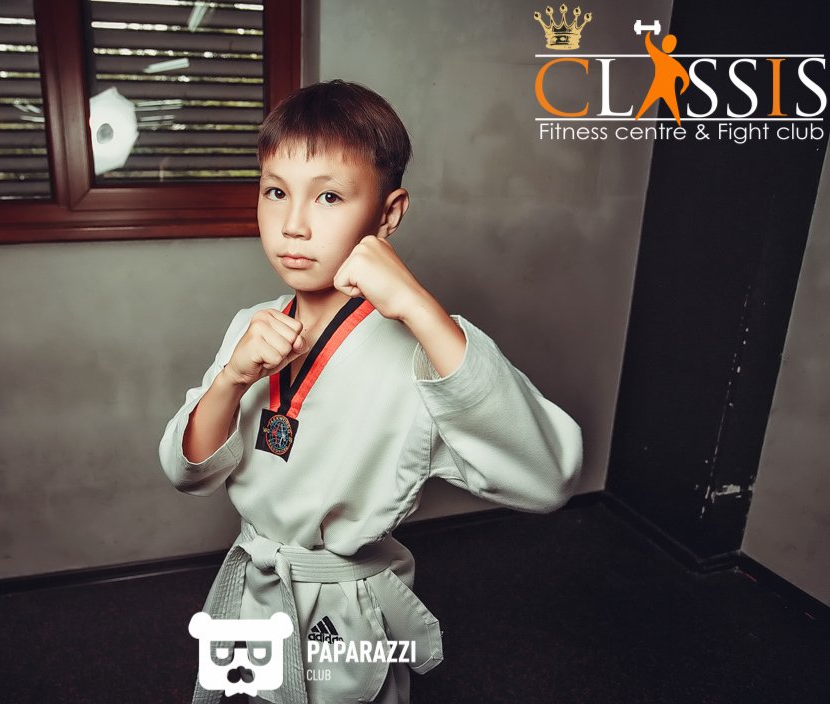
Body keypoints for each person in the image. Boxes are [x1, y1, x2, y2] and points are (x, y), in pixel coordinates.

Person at [158, 79, 584, 704]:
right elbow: (186, 472)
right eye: (276, 191)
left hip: (342, 613)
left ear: (388, 214)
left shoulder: (426, 353)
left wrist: (420, 308)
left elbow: (548, 480)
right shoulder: (251, 325)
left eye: (328, 196)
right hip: (255, 589)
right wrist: (232, 379)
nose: (293, 225)